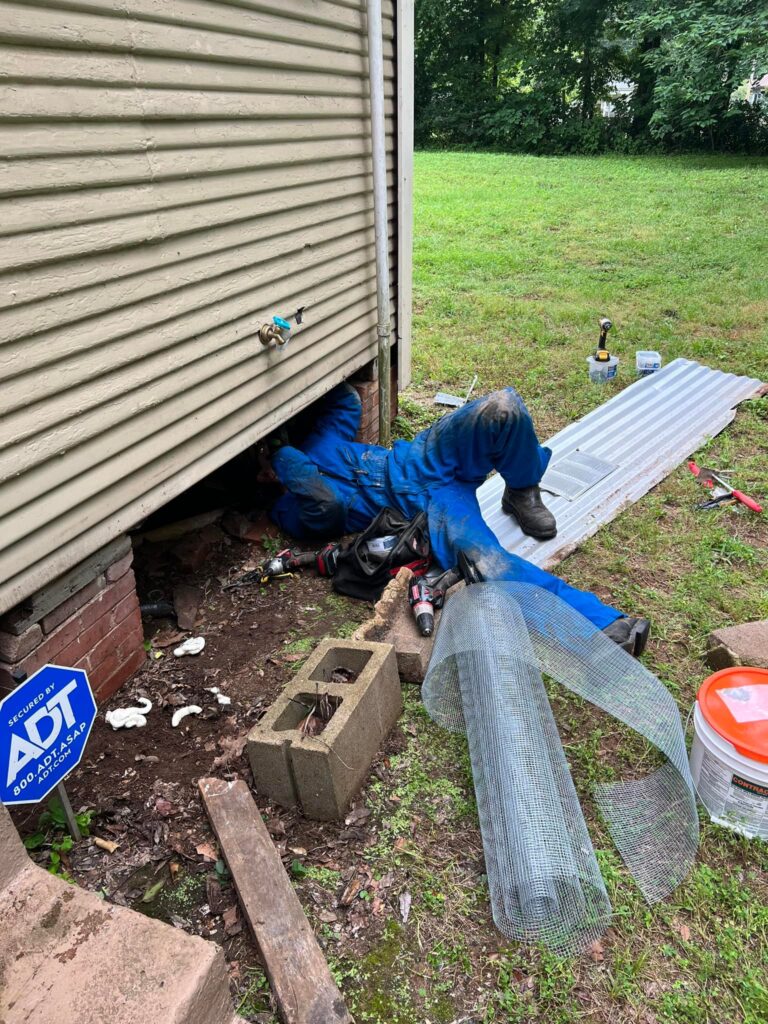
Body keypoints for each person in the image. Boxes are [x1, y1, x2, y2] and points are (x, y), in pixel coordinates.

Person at [267, 383, 649, 655]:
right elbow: (326, 507)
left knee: (502, 408)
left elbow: (346, 402)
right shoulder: (287, 506)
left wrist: (291, 396)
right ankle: (600, 624)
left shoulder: (322, 437)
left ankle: (521, 488)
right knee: (488, 565)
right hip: (430, 509)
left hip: (421, 458)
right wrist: (279, 460)